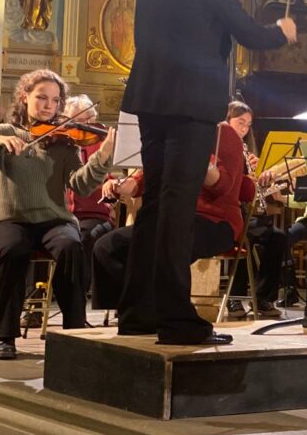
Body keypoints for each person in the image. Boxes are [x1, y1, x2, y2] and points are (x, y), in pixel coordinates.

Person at [117, 0, 296, 346]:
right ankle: (178, 320)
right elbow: (245, 31)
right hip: (191, 102)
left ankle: (137, 312)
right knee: (178, 207)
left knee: (155, 203)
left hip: (151, 98)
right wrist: (282, 32)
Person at [0, 69, 116, 360]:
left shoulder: (64, 142)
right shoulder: (7, 133)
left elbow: (81, 184)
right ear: (25, 97)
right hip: (11, 220)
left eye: (55, 100)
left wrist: (102, 156)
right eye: (42, 97)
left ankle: (73, 334)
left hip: (55, 220)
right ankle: (6, 337)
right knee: (14, 248)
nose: (49, 105)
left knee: (72, 246)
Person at [91, 120, 246, 317]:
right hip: (172, 217)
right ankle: (127, 310)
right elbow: (145, 179)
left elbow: (222, 185)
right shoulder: (170, 130)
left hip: (215, 221)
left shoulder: (224, 133)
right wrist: (124, 185)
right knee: (108, 246)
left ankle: (154, 313)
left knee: (162, 244)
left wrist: (196, 152)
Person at [221, 101, 287, 319]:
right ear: (227, 120)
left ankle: (263, 298)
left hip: (245, 212)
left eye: (248, 125)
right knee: (242, 236)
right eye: (240, 122)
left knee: (277, 238)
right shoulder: (218, 146)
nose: (244, 129)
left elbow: (249, 190)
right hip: (225, 212)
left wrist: (260, 176)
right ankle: (234, 297)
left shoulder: (245, 150)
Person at [62, 95, 115, 296]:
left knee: (84, 237)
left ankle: (77, 296)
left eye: (90, 120)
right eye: (79, 121)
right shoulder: (61, 143)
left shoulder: (102, 143)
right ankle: (36, 301)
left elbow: (110, 178)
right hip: (64, 215)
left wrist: (112, 183)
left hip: (95, 216)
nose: (86, 126)